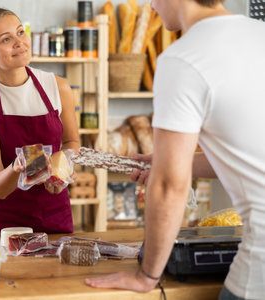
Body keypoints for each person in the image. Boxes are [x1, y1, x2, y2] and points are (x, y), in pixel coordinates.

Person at [85, 0, 265, 299]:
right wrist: (172, 162)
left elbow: (170, 187)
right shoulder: (259, 33)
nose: (152, 5)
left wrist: (147, 275)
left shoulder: (183, 58)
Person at [0, 8, 80, 234]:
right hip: (4, 223)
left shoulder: (57, 87)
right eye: (6, 39)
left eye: (21, 32)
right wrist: (17, 168)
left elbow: (72, 143)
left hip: (54, 213)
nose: (20, 42)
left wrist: (62, 170)